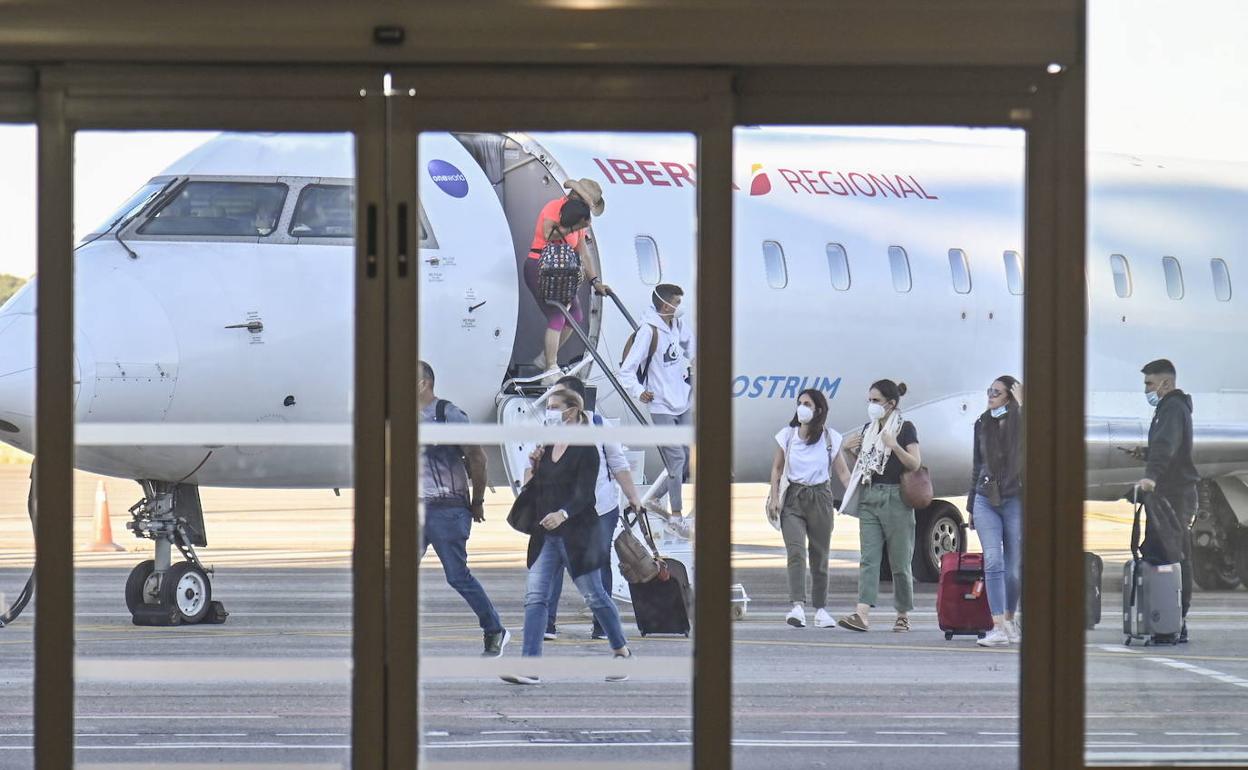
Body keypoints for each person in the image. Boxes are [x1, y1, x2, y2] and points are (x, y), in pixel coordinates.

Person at [502, 389, 632, 685]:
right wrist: (534, 466)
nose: (549, 412)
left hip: (577, 535)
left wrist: (563, 512)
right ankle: (530, 666)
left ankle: (622, 652)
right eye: (548, 407)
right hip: (545, 535)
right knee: (535, 597)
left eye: (554, 407)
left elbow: (584, 493)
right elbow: (535, 488)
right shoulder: (547, 445)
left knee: (595, 596)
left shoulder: (586, 447)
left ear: (571, 411)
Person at [417, 360, 510, 657]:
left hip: (448, 509)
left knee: (457, 575)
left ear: (423, 384)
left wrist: (477, 501)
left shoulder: (448, 415)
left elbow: (477, 457)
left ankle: (495, 629)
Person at [544, 375, 644, 641]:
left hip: (600, 508)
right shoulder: (550, 427)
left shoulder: (600, 426)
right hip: (560, 508)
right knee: (553, 563)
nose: (553, 405)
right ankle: (547, 624)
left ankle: (602, 626)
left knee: (599, 562)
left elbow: (618, 464)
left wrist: (633, 497)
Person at [837, 380, 921, 633]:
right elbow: (865, 467)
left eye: (876, 401)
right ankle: (862, 613)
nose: (871, 406)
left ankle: (903, 613)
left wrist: (893, 444)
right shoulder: (868, 430)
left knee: (900, 561)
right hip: (871, 496)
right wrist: (852, 452)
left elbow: (915, 463)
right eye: (870, 401)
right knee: (869, 558)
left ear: (891, 403)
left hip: (896, 497)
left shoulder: (905, 428)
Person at [768, 388, 852, 629]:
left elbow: (843, 474)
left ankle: (821, 609)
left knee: (820, 555)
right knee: (796, 552)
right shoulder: (787, 435)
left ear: (818, 410)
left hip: (820, 497)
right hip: (793, 496)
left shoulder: (830, 438)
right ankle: (797, 606)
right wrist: (775, 497)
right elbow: (776, 468)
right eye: (800, 403)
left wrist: (855, 498)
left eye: (807, 404)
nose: (802, 407)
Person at [618, 283, 695, 525]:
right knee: (676, 459)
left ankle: (654, 499)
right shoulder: (649, 332)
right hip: (661, 405)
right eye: (677, 303)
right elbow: (626, 371)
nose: (680, 307)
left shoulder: (677, 325)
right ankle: (676, 514)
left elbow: (692, 347)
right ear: (665, 305)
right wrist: (639, 391)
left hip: (682, 400)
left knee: (688, 456)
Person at [1135, 358, 1199, 643]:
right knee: (1162, 554)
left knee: (1172, 557)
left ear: (1166, 383)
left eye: (1149, 383)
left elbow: (1167, 445)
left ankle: (1173, 621)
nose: (1147, 389)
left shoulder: (1172, 408)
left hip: (1173, 495)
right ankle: (1167, 619)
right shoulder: (1171, 408)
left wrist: (1151, 475)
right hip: (1170, 494)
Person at [526, 179, 610, 377]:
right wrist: (574, 226)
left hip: (562, 272)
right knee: (557, 315)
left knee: (576, 318)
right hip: (541, 266)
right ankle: (550, 367)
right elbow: (548, 234)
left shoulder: (578, 220)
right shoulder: (555, 207)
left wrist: (594, 281)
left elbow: (583, 251)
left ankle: (545, 358)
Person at [967, 376, 1025, 648]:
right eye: (989, 391)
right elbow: (977, 466)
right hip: (985, 497)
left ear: (1010, 398)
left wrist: (1024, 409)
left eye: (997, 392)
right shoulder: (982, 423)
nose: (990, 396)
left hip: (1015, 499)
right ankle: (998, 624)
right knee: (993, 561)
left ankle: (1011, 618)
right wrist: (970, 506)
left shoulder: (1020, 422)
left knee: (1013, 568)